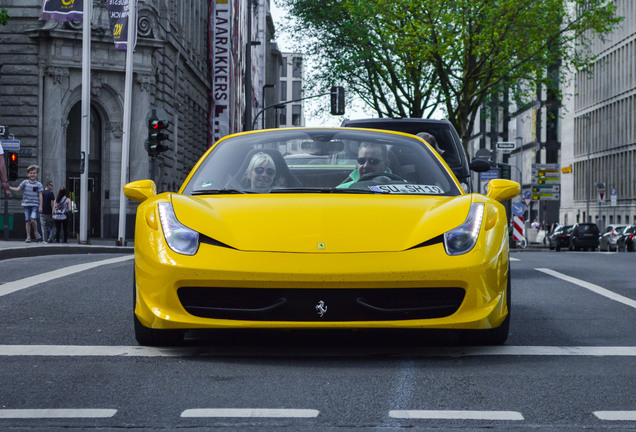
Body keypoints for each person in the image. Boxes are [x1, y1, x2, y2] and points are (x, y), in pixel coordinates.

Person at [8, 165, 43, 243]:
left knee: (33, 219)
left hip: (35, 205)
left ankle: (36, 232)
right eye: (31, 173)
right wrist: (9, 187)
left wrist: (40, 206)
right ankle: (28, 237)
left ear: (37, 174)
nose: (32, 175)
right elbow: (17, 189)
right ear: (28, 174)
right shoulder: (25, 182)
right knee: (28, 221)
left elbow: (40, 196)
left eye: (34, 173)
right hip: (26, 204)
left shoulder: (39, 185)